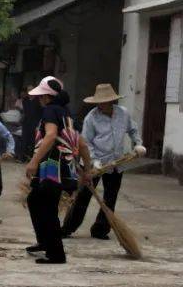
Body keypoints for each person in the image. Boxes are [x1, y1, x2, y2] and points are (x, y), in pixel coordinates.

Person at [62, 84, 146, 240]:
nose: (102, 104)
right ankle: (68, 228)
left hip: (116, 163)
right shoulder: (91, 118)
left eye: (105, 101)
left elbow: (132, 130)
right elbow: (86, 143)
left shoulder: (123, 114)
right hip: (93, 162)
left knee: (110, 197)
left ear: (112, 101)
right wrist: (93, 161)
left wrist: (138, 143)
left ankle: (100, 229)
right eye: (99, 102)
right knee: (83, 196)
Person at [24, 77, 92, 265]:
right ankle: (45, 242)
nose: (39, 100)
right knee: (35, 200)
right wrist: (87, 170)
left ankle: (56, 254)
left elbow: (51, 135)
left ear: (47, 97)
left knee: (47, 209)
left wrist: (33, 161)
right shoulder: (67, 115)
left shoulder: (49, 111)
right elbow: (83, 145)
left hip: (52, 168)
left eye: (40, 96)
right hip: (64, 168)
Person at [19, 88, 42, 161]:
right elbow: (24, 111)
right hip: (26, 123)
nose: (30, 91)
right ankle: (22, 157)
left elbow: (40, 112)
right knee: (24, 140)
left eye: (31, 89)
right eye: (28, 90)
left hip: (35, 123)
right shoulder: (25, 100)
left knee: (33, 141)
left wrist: (39, 124)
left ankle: (31, 157)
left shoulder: (38, 100)